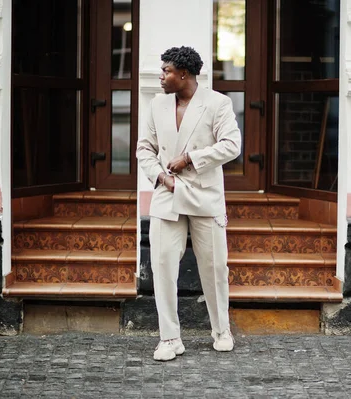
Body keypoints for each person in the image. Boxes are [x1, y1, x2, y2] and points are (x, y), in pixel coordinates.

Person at [136, 46, 241, 361]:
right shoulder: (157, 104)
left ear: (183, 74)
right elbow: (145, 148)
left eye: (166, 71)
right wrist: (160, 177)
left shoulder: (217, 103)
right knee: (163, 267)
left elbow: (232, 145)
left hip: (204, 195)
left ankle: (221, 330)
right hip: (167, 194)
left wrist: (191, 158)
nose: (161, 76)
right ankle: (170, 339)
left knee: (214, 268)